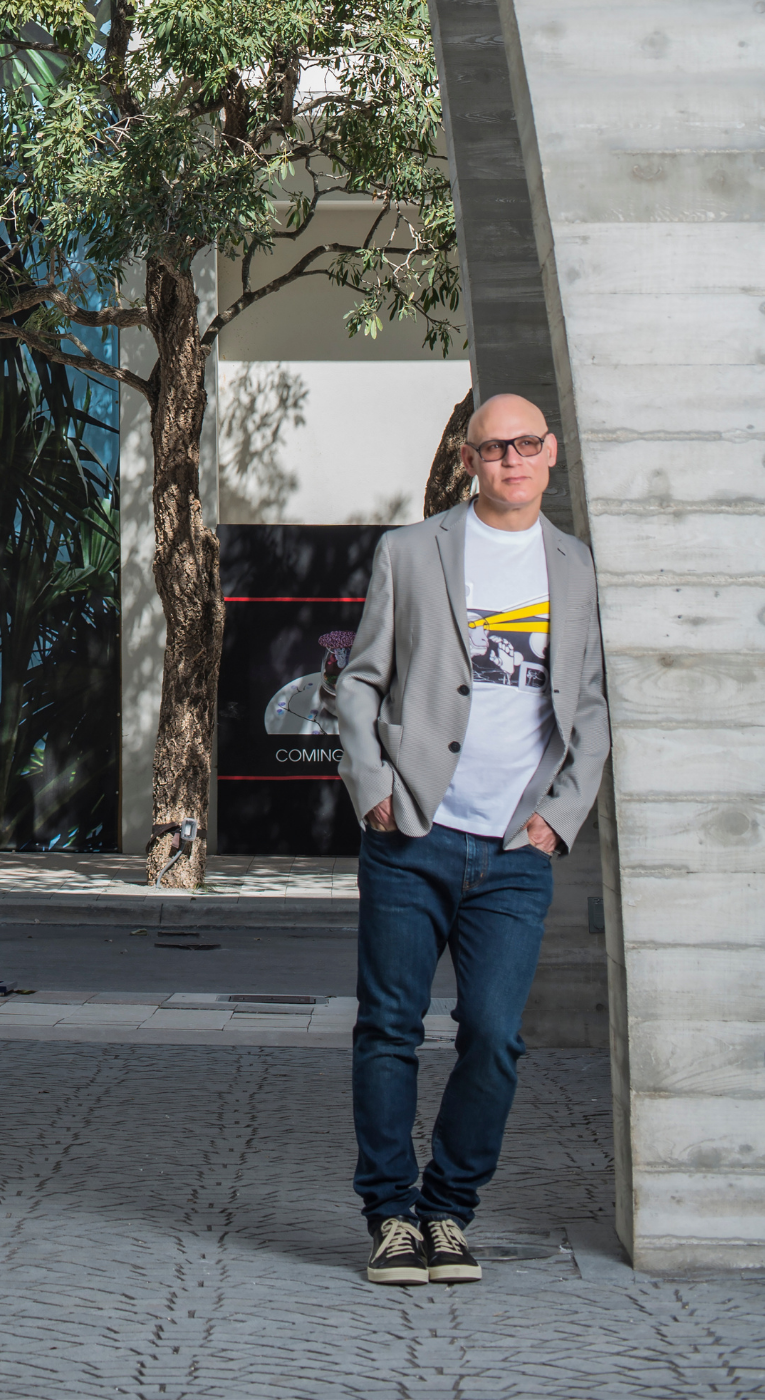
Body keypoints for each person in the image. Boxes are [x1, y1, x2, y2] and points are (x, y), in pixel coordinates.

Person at [331, 394, 610, 1287]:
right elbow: (359, 681)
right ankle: (389, 1216)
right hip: (413, 833)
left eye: (527, 445)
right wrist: (372, 788)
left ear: (551, 453)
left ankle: (447, 1212)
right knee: (388, 1030)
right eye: (494, 448)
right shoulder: (412, 553)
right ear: (468, 458)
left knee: (492, 1036)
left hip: (515, 852)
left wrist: (557, 819)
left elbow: (593, 711)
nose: (512, 460)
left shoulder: (575, 567)